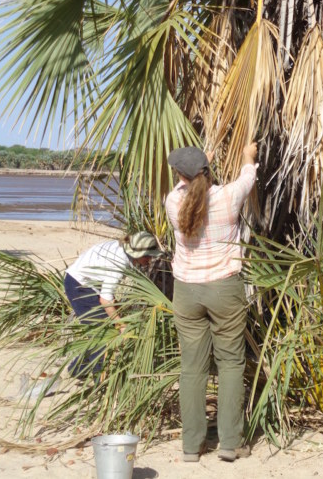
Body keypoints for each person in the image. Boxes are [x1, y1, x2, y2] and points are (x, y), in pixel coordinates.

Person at [165, 142, 258, 463]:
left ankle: (192, 447)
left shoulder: (173, 202)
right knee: (231, 363)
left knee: (192, 369)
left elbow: (187, 188)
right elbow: (248, 176)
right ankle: (231, 443)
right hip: (224, 289)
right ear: (206, 170)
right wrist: (247, 156)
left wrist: (202, 163)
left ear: (180, 175)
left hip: (186, 292)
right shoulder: (227, 196)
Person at [64, 231, 163, 377]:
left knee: (100, 330)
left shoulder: (122, 247)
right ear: (137, 254)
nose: (150, 260)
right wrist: (121, 325)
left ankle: (77, 369)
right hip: (79, 286)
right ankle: (100, 381)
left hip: (86, 284)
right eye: (148, 256)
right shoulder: (119, 261)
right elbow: (105, 300)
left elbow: (106, 294)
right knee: (101, 335)